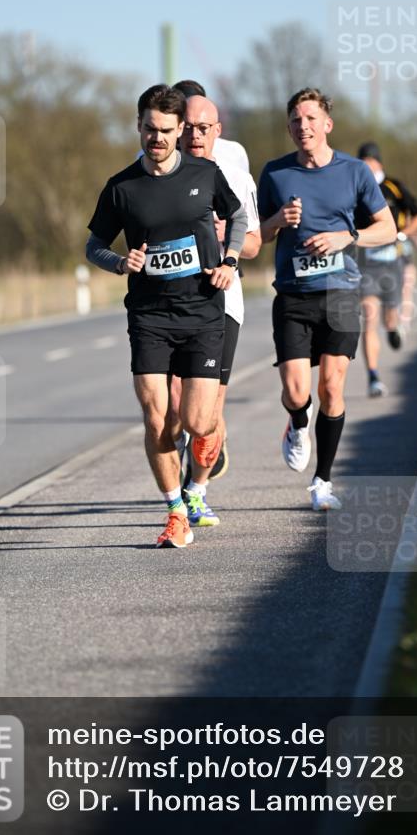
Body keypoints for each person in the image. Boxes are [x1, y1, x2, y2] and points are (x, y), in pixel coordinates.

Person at [86, 84, 247, 548]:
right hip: (150, 316)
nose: (157, 138)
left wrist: (230, 261)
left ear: (180, 131)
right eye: (149, 129)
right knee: (158, 419)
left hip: (201, 312)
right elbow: (93, 245)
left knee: (198, 422)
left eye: (166, 131)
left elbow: (236, 218)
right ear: (138, 126)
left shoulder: (205, 172)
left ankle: (198, 482)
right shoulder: (121, 187)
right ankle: (175, 510)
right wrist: (119, 263)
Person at [258, 88, 396, 510]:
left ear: (327, 124)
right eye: (297, 121)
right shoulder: (275, 173)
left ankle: (322, 482)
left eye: (312, 119)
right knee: (298, 392)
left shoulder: (355, 172)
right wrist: (278, 220)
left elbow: (388, 229)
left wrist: (347, 237)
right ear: (289, 127)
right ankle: (297, 423)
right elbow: (255, 238)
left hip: (341, 292)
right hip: (294, 296)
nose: (304, 127)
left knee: (332, 387)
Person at [170, 95, 261, 529]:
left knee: (208, 411)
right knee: (172, 407)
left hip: (222, 301)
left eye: (202, 126)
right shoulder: (156, 169)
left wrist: (229, 244)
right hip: (168, 303)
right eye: (186, 126)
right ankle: (177, 491)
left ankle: (196, 491)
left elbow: (255, 241)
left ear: (216, 129)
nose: (193, 134)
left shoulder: (234, 175)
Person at [356, 142, 417, 398]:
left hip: (392, 261)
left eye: (368, 161)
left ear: (378, 163)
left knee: (388, 318)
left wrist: (402, 235)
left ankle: (394, 328)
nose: (364, 166)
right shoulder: (355, 186)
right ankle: (373, 376)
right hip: (365, 263)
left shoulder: (394, 186)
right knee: (369, 316)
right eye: (360, 161)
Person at [173, 80, 250, 174]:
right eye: (187, 126)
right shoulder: (160, 158)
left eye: (203, 128)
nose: (194, 135)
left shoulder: (234, 152)